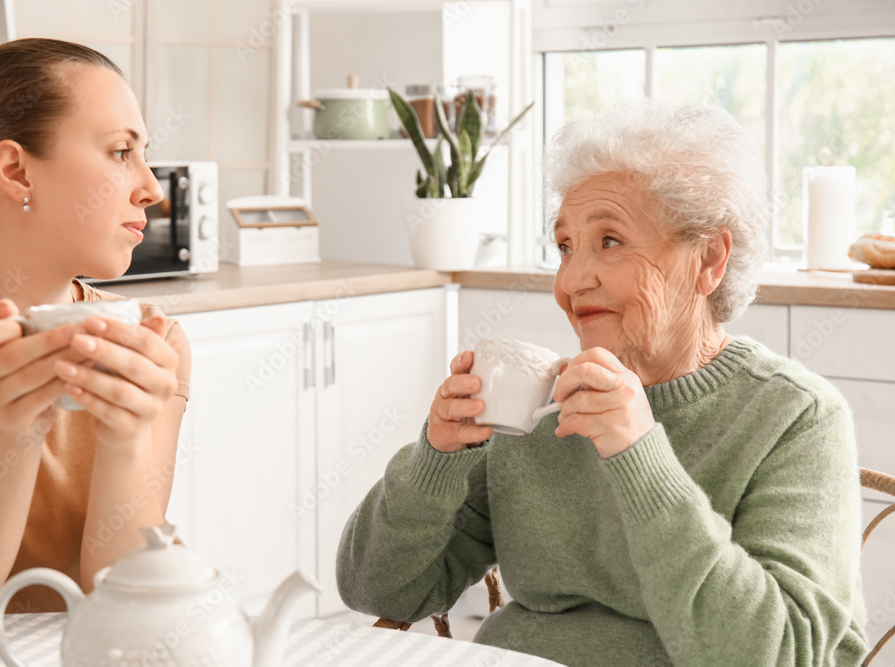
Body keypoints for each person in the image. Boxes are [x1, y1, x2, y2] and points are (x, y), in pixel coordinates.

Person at [336, 101, 868, 665]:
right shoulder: (541, 409)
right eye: (565, 246)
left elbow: (777, 653)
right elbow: (380, 591)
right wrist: (435, 460)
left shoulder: (796, 417)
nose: (570, 280)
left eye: (609, 241)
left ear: (708, 258)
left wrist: (639, 454)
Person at [0, 38, 190, 633]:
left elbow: (121, 592)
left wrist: (126, 434)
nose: (151, 189)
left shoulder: (155, 347)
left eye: (144, 154)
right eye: (119, 152)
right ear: (16, 170)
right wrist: (16, 419)